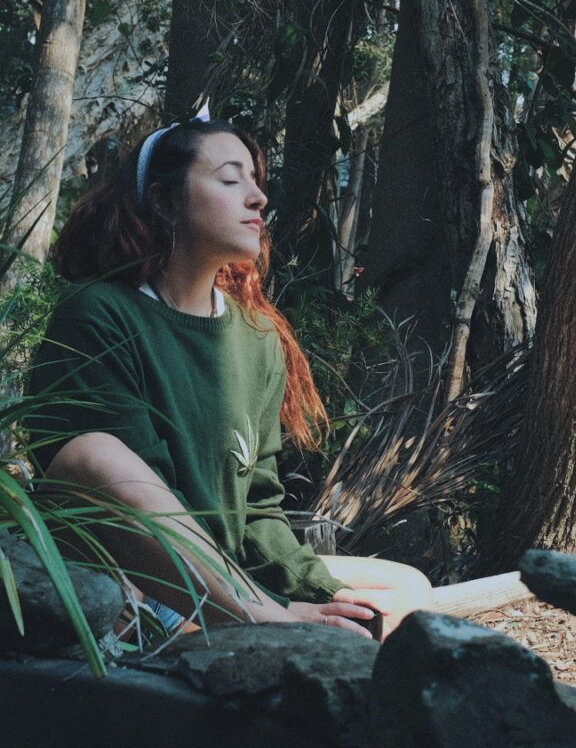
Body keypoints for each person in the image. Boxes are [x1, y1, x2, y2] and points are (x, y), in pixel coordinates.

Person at [25, 113, 432, 639]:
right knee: (94, 452)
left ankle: (250, 622)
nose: (258, 197)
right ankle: (248, 624)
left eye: (256, 181)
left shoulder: (258, 338)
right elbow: (107, 489)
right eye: (230, 178)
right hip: (131, 584)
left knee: (408, 590)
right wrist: (260, 604)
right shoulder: (99, 313)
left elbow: (259, 506)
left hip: (227, 584)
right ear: (166, 201)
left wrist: (318, 593)